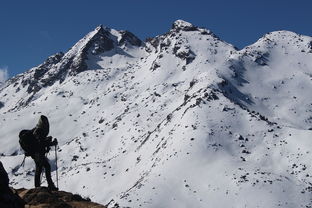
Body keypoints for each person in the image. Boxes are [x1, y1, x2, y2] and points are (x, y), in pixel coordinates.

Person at [25, 115, 58, 191]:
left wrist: (47, 141)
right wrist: (51, 143)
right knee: (46, 167)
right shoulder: (39, 131)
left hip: (36, 153)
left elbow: (40, 142)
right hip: (38, 154)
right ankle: (50, 185)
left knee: (39, 169)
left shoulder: (37, 130)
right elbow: (41, 143)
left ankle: (37, 187)